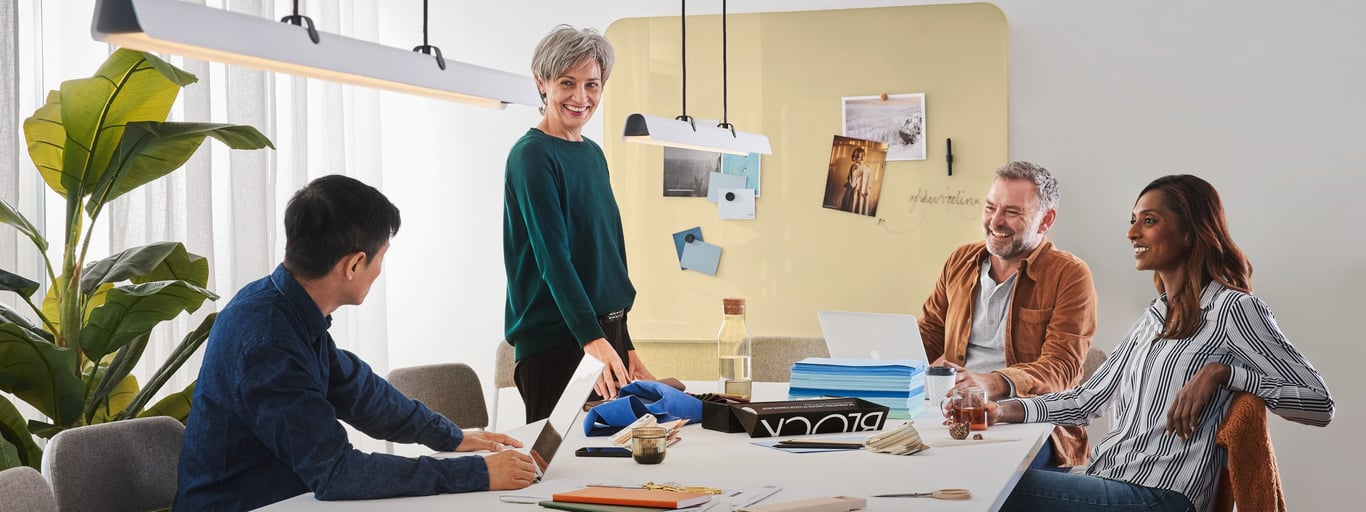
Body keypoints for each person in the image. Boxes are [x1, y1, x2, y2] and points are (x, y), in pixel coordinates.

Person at [176, 176, 537, 510]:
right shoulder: (267, 340)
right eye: (383, 255)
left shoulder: (282, 306)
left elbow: (361, 393)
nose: (380, 269)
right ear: (354, 265)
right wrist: (474, 473)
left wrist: (453, 437)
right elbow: (335, 472)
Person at [992, 174, 1334, 512]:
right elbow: (1087, 400)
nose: (1132, 233)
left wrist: (1224, 373)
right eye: (1133, 221)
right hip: (1112, 477)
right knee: (990, 479)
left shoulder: (1233, 308)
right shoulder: (1155, 315)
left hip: (1159, 496)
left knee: (993, 488)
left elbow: (1320, 404)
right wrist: (1002, 410)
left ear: (1189, 232)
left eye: (1149, 221)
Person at [504, 25, 656, 423]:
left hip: (605, 336)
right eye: (567, 83)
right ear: (542, 83)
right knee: (562, 470)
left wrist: (626, 344)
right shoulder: (532, 156)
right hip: (559, 341)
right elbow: (554, 259)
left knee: (622, 469)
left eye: (592, 84)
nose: (581, 97)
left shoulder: (593, 154)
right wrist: (593, 339)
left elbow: (606, 254)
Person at [919, 161, 1097, 466]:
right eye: (990, 208)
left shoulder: (1070, 274)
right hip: (952, 414)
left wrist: (990, 383)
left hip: (1030, 421)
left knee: (984, 475)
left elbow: (1062, 368)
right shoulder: (960, 260)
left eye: (1012, 212)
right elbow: (930, 334)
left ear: (1045, 220)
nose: (995, 221)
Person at [841, 147, 865, 212]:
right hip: (858, 191)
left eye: (856, 155)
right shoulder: (864, 167)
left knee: (847, 206)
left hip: (852, 190)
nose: (854, 156)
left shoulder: (854, 166)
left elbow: (852, 183)